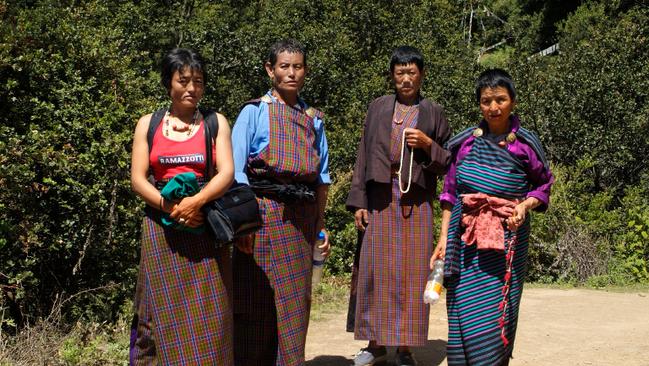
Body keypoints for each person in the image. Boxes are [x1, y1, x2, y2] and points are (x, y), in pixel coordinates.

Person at [431, 68, 554, 366]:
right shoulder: (465, 143)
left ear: (513, 101)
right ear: (479, 104)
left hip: (506, 242)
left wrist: (524, 207)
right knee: (463, 309)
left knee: (495, 314)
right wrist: (443, 239)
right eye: (486, 101)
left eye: (500, 99)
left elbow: (544, 185)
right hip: (465, 243)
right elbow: (450, 192)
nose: (493, 107)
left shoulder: (526, 144)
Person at [346, 45, 452, 366]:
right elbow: (363, 156)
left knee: (412, 272)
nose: (406, 79)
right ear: (392, 76)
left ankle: (405, 347)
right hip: (380, 197)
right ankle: (375, 344)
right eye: (400, 73)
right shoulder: (378, 108)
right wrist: (359, 202)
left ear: (422, 75)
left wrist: (428, 145)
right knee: (375, 270)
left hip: (416, 201)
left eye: (412, 72)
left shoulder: (433, 112)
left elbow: (450, 161)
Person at [129, 48, 235, 364]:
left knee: (210, 310)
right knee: (157, 311)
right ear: (169, 83)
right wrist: (169, 207)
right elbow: (137, 179)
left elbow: (227, 172)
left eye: (198, 81)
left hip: (205, 225)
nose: (191, 88)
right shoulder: (148, 124)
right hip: (161, 229)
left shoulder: (216, 122)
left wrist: (196, 202)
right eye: (184, 80)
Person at [230, 39, 331, 366]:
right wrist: (243, 225)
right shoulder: (254, 112)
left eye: (297, 66)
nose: (291, 73)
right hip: (259, 218)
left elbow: (322, 179)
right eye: (284, 66)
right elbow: (235, 171)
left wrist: (320, 225)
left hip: (300, 223)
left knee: (294, 307)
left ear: (306, 71)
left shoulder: (314, 120)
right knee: (253, 304)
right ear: (269, 69)